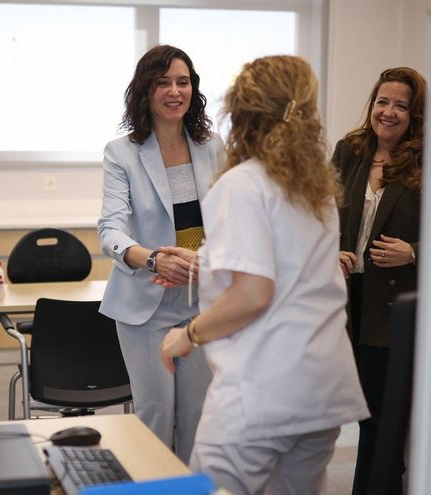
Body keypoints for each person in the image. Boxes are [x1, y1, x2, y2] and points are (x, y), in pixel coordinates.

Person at [159, 55, 369, 494]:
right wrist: (206, 263)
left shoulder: (242, 184)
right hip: (321, 391)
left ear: (240, 113)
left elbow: (254, 292)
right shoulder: (315, 189)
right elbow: (291, 270)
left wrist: (189, 335)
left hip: (261, 392)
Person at [97, 45, 224, 462]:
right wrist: (154, 258)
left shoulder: (212, 147)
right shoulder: (122, 153)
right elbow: (110, 229)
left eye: (183, 82)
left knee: (198, 421)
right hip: (145, 308)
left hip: (201, 302)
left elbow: (228, 221)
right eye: (163, 82)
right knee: (155, 420)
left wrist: (206, 260)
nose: (174, 91)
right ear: (145, 91)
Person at [333, 67, 426, 495]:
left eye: (400, 106)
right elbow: (321, 213)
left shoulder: (430, 161)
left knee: (381, 420)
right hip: (346, 301)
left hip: (392, 307)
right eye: (382, 101)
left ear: (414, 114)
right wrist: (331, 250)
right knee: (359, 414)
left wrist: (414, 252)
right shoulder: (349, 151)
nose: (388, 112)